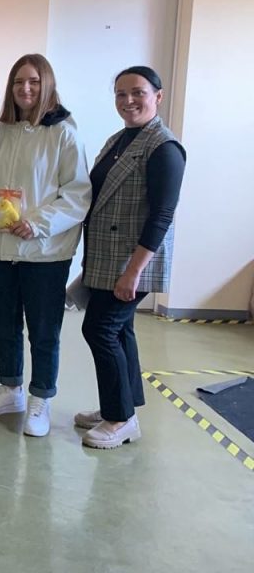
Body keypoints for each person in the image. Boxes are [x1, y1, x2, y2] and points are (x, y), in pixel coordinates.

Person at [0, 54, 91, 437]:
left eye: (34, 82)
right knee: (2, 325)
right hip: (0, 249)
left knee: (43, 330)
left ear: (47, 85)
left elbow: (77, 195)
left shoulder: (64, 134)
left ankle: (41, 397)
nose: (25, 88)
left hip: (45, 253)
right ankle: (10, 389)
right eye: (19, 81)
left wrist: (37, 224)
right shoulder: (0, 132)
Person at [77, 66, 185, 449]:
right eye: (121, 94)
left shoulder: (164, 147)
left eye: (138, 92)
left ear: (158, 96)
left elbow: (162, 216)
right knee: (121, 330)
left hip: (133, 262)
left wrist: (133, 272)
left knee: (100, 330)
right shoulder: (120, 139)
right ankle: (121, 406)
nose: (128, 101)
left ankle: (120, 419)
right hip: (107, 256)